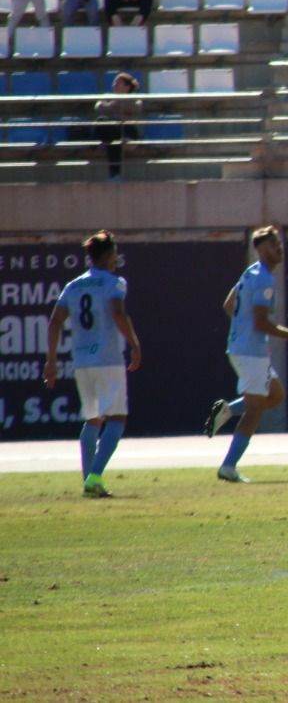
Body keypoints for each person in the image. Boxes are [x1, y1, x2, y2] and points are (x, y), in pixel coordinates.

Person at [202, 226, 288, 483]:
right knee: (254, 411)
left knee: (275, 396)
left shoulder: (250, 273)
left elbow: (229, 304)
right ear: (262, 250)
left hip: (241, 348)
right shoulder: (264, 278)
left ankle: (227, 411)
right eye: (275, 245)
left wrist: (241, 327)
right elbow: (261, 323)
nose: (280, 249)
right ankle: (228, 467)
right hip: (250, 352)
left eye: (280, 244)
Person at [44, 231, 143, 498]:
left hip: (81, 361)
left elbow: (54, 322)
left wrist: (51, 360)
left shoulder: (73, 286)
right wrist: (134, 344)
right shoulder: (114, 282)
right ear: (110, 256)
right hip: (108, 359)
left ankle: (89, 479)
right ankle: (95, 476)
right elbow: (118, 312)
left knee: (92, 419)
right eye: (114, 255)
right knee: (117, 418)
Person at [92, 72, 142, 181]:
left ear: (127, 87)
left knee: (113, 140)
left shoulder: (134, 99)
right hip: (114, 131)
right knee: (103, 123)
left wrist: (113, 105)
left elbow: (134, 108)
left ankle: (114, 174)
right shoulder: (107, 97)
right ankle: (115, 175)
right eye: (114, 82)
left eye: (118, 83)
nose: (114, 84)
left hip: (127, 130)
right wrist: (116, 105)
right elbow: (99, 108)